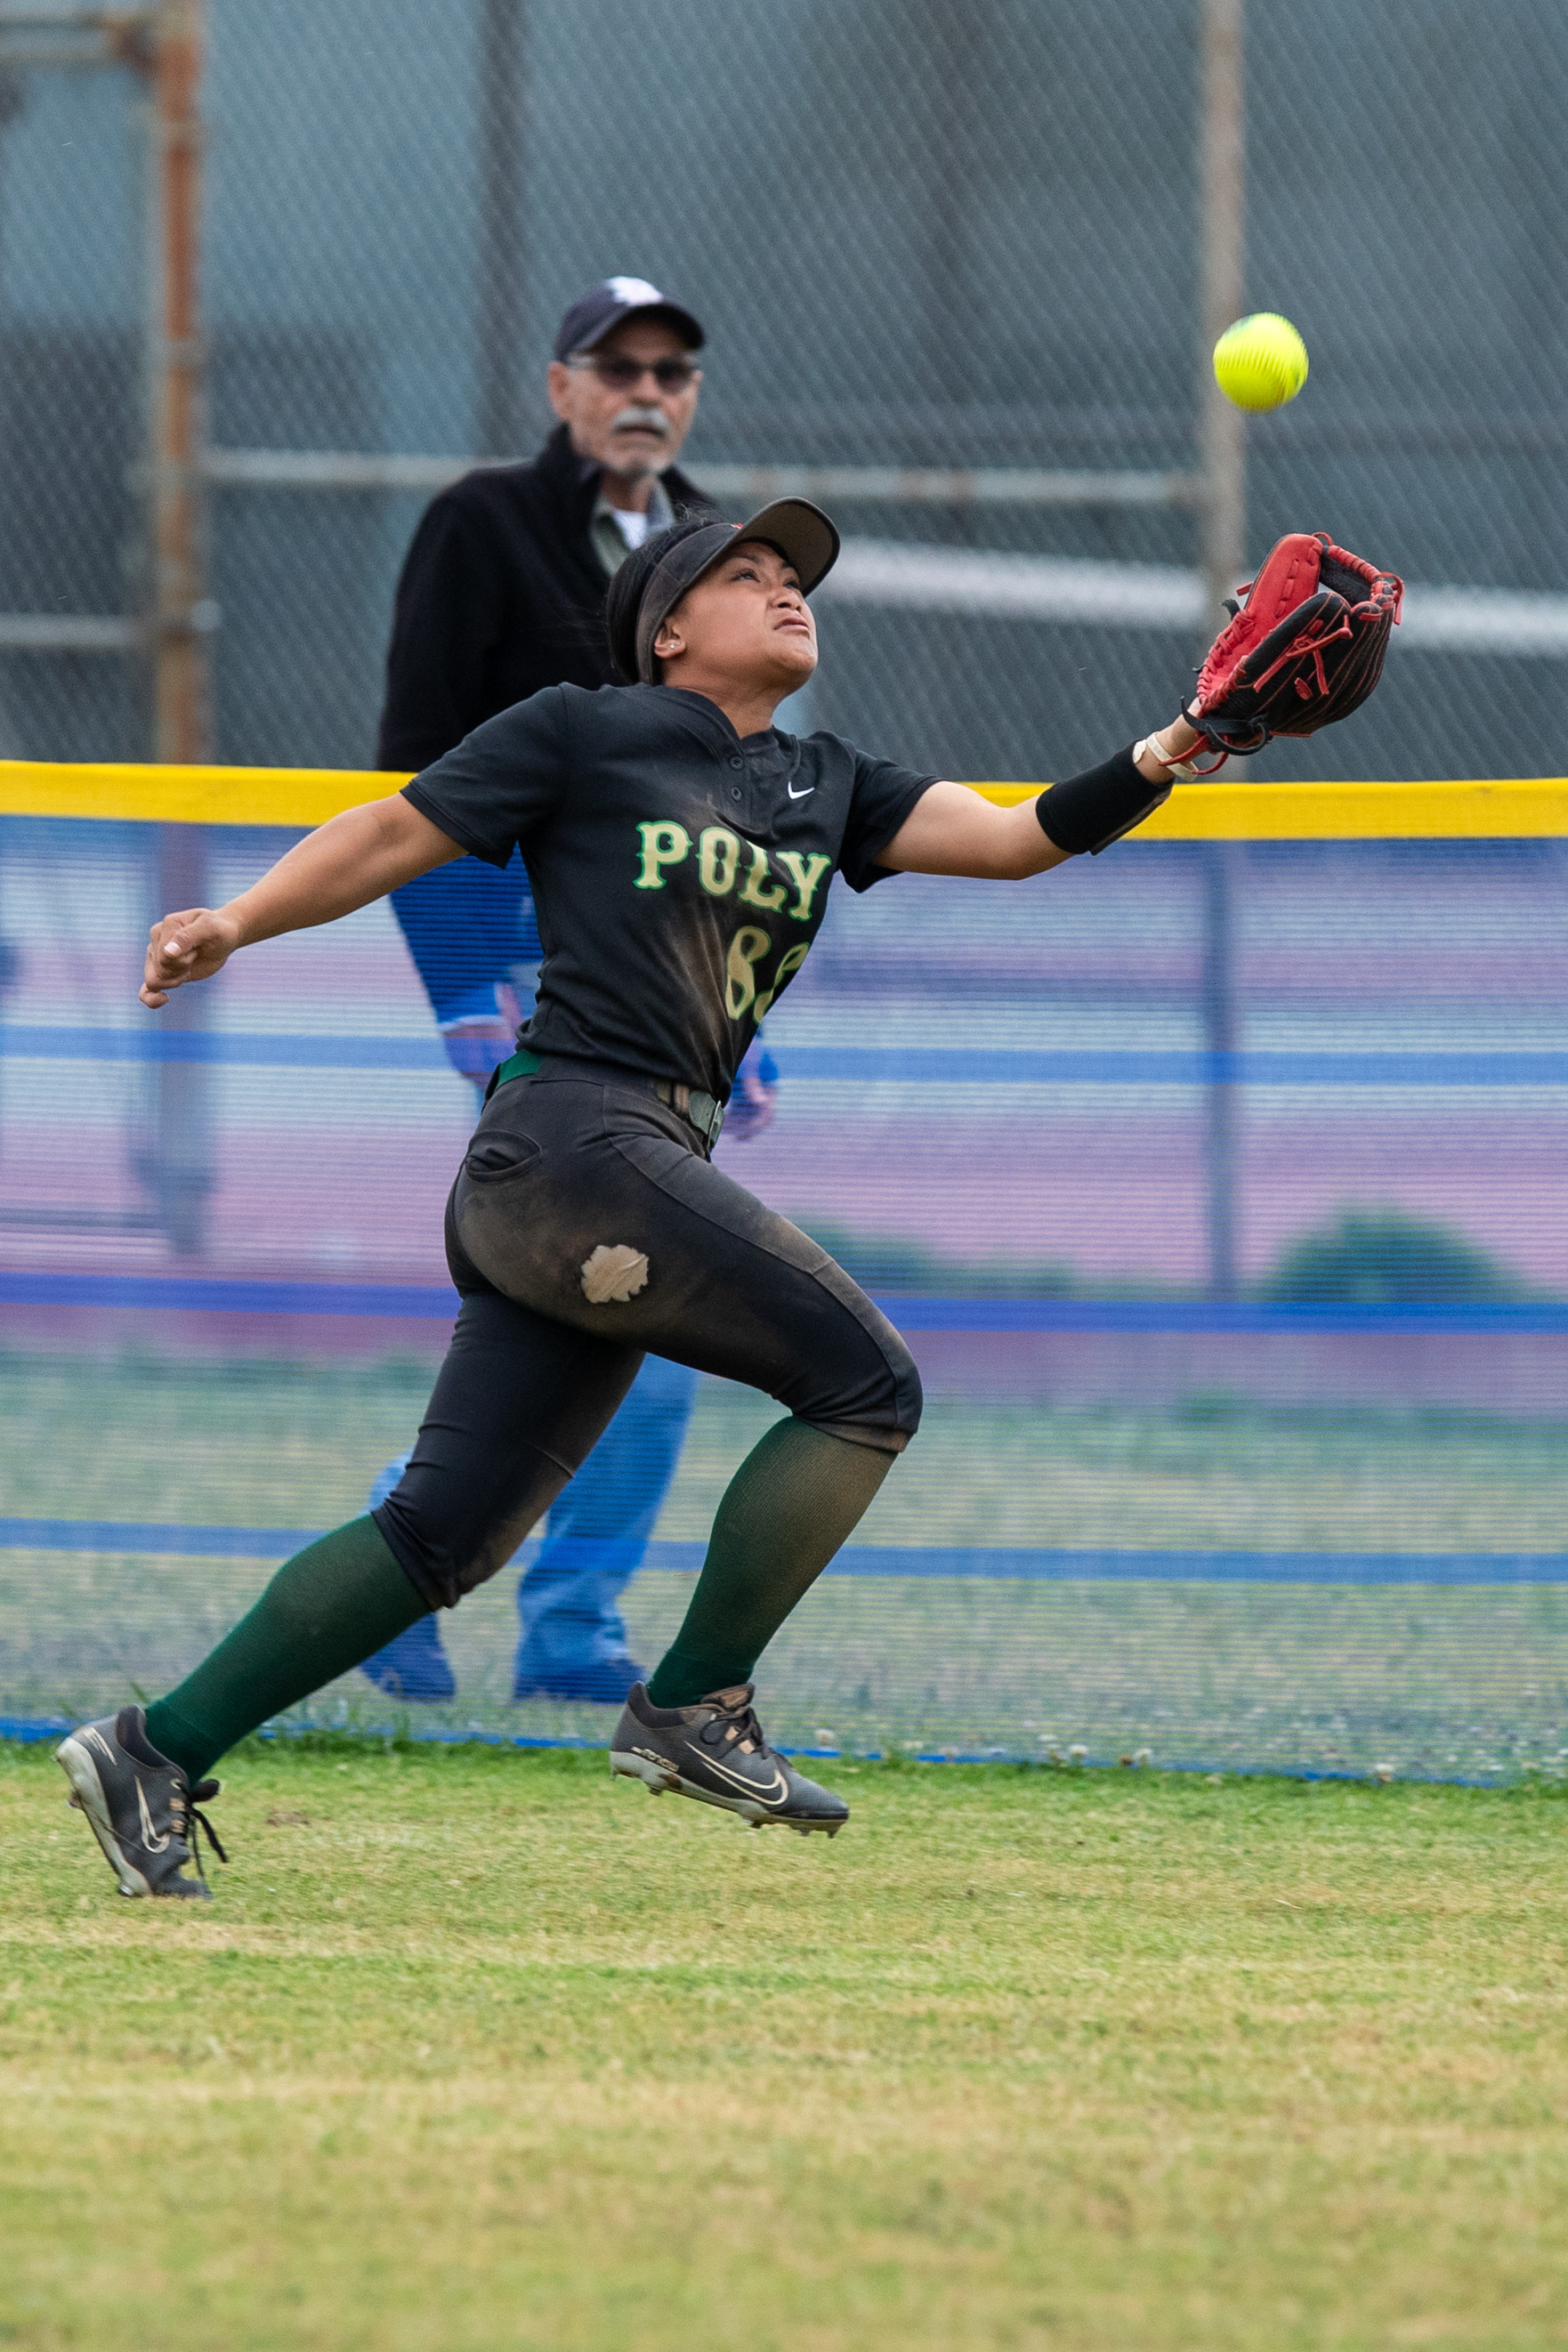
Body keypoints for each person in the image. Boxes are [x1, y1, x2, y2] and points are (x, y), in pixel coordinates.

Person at [61, 497, 1231, 1896]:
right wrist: (234, 921)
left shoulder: (829, 778)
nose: (789, 589)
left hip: (616, 1174)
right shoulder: (584, 726)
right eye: (748, 573)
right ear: (668, 627)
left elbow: (1018, 836)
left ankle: (153, 1747)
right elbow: (393, 829)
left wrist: (1180, 743)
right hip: (573, 1144)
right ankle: (694, 1704)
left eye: (795, 575)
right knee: (867, 1388)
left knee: (444, 1536)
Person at [364, 274, 774, 1708]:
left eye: (670, 366)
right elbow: (411, 775)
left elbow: (741, 814)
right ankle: (558, 1620)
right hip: (528, 991)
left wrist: (740, 1006)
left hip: (664, 995)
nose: (644, 389)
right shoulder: (482, 524)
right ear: (560, 388)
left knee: (570, 1313)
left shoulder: (722, 552)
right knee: (642, 1306)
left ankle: (421, 1586)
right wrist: (457, 985)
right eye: (616, 366)